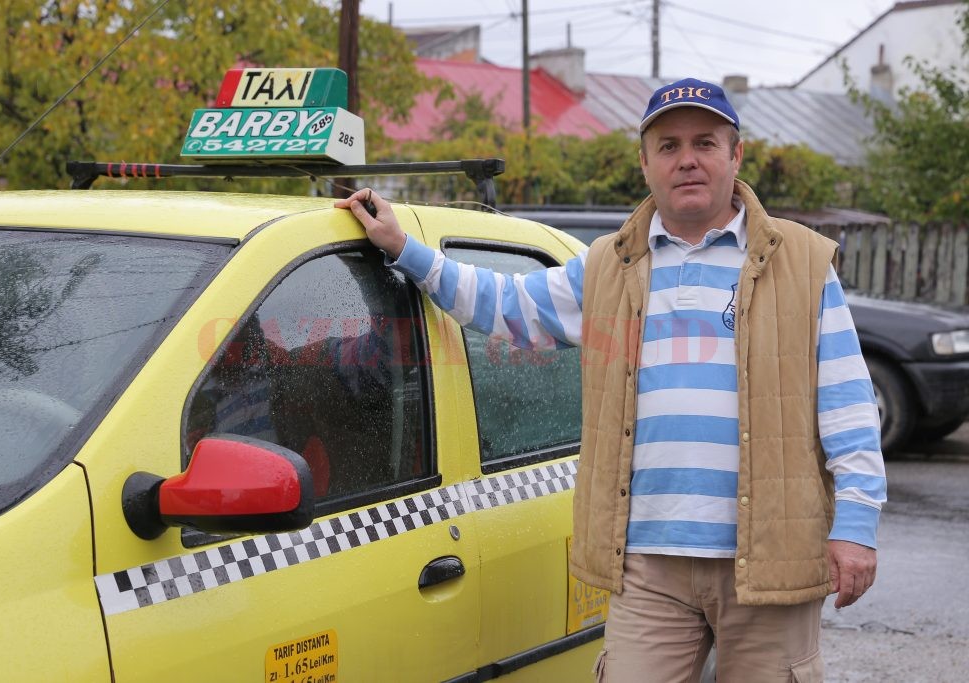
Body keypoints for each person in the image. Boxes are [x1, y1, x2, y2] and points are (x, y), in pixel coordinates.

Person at [335, 77, 886, 682]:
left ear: (737, 154)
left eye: (705, 142)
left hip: (771, 562)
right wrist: (404, 249)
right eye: (669, 146)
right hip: (646, 565)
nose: (688, 159)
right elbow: (505, 306)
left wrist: (855, 528)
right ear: (645, 162)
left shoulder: (804, 263)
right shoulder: (608, 265)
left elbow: (847, 405)